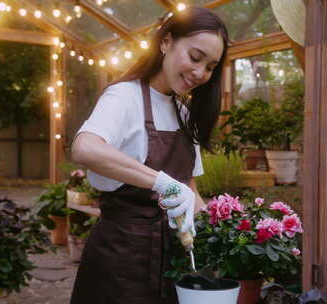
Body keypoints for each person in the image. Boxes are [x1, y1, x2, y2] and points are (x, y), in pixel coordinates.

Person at [69, 6, 229, 304]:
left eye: (210, 67)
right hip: (119, 262)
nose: (200, 72)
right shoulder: (124, 97)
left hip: (171, 264)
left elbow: (189, 187)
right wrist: (163, 183)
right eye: (195, 57)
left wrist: (225, 235)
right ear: (166, 42)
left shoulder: (183, 113)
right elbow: (85, 147)